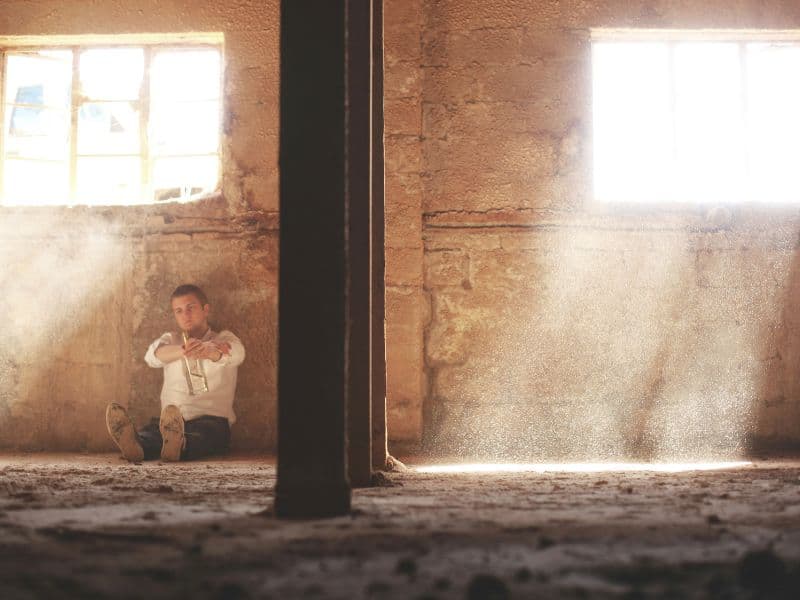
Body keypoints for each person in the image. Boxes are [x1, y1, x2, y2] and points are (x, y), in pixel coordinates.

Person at [105, 284, 245, 462]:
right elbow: (152, 356)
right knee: (152, 433)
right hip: (169, 422)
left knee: (207, 435)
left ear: (205, 309)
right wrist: (184, 350)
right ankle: (137, 446)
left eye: (190, 308)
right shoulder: (171, 339)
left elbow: (237, 353)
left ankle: (180, 445)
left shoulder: (223, 338)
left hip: (211, 421)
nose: (185, 315)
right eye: (178, 311)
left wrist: (210, 351)